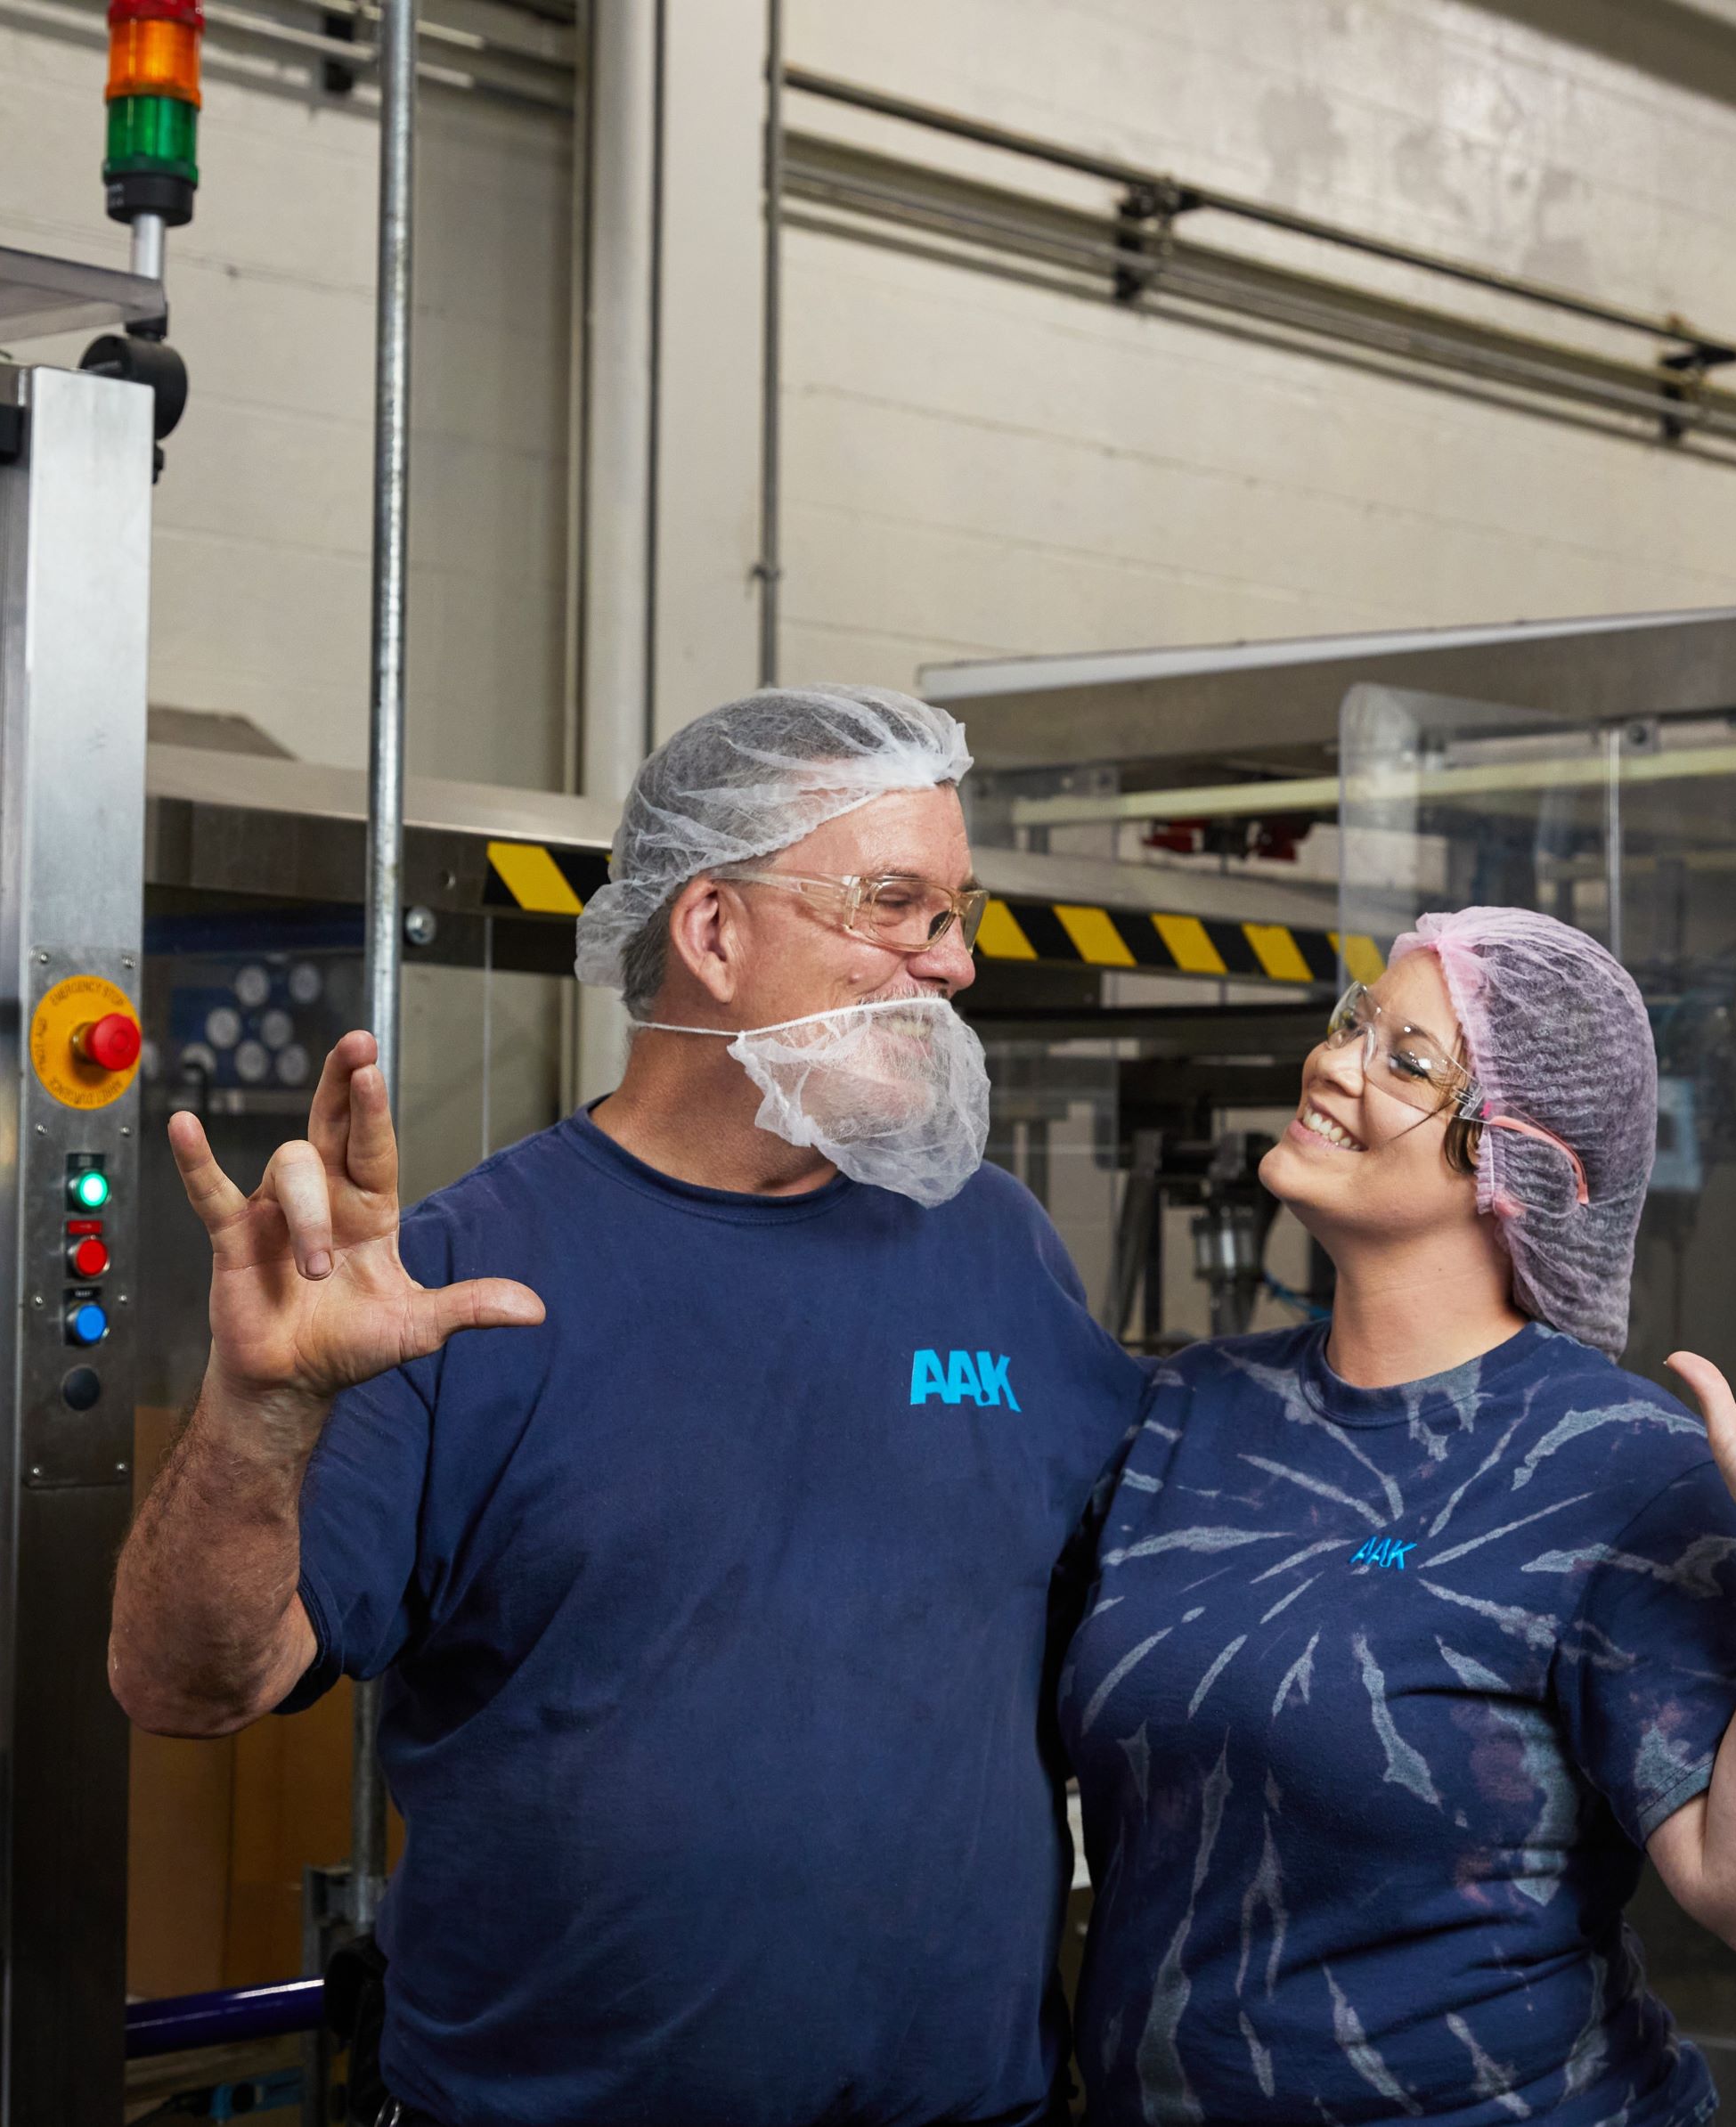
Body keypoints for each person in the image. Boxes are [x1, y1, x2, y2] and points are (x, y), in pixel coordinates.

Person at [109, 686, 1148, 2127]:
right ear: (713, 932)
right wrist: (258, 1412)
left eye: (958, 915)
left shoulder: (995, 1244)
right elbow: (187, 1687)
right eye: (898, 907)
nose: (952, 964)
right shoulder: (466, 1278)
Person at [1063, 906, 1736, 2126]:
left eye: (1404, 1060)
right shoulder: (1191, 1405)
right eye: (1354, 1021)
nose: (1334, 1061)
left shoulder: (1614, 1462)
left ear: (1520, 1168)